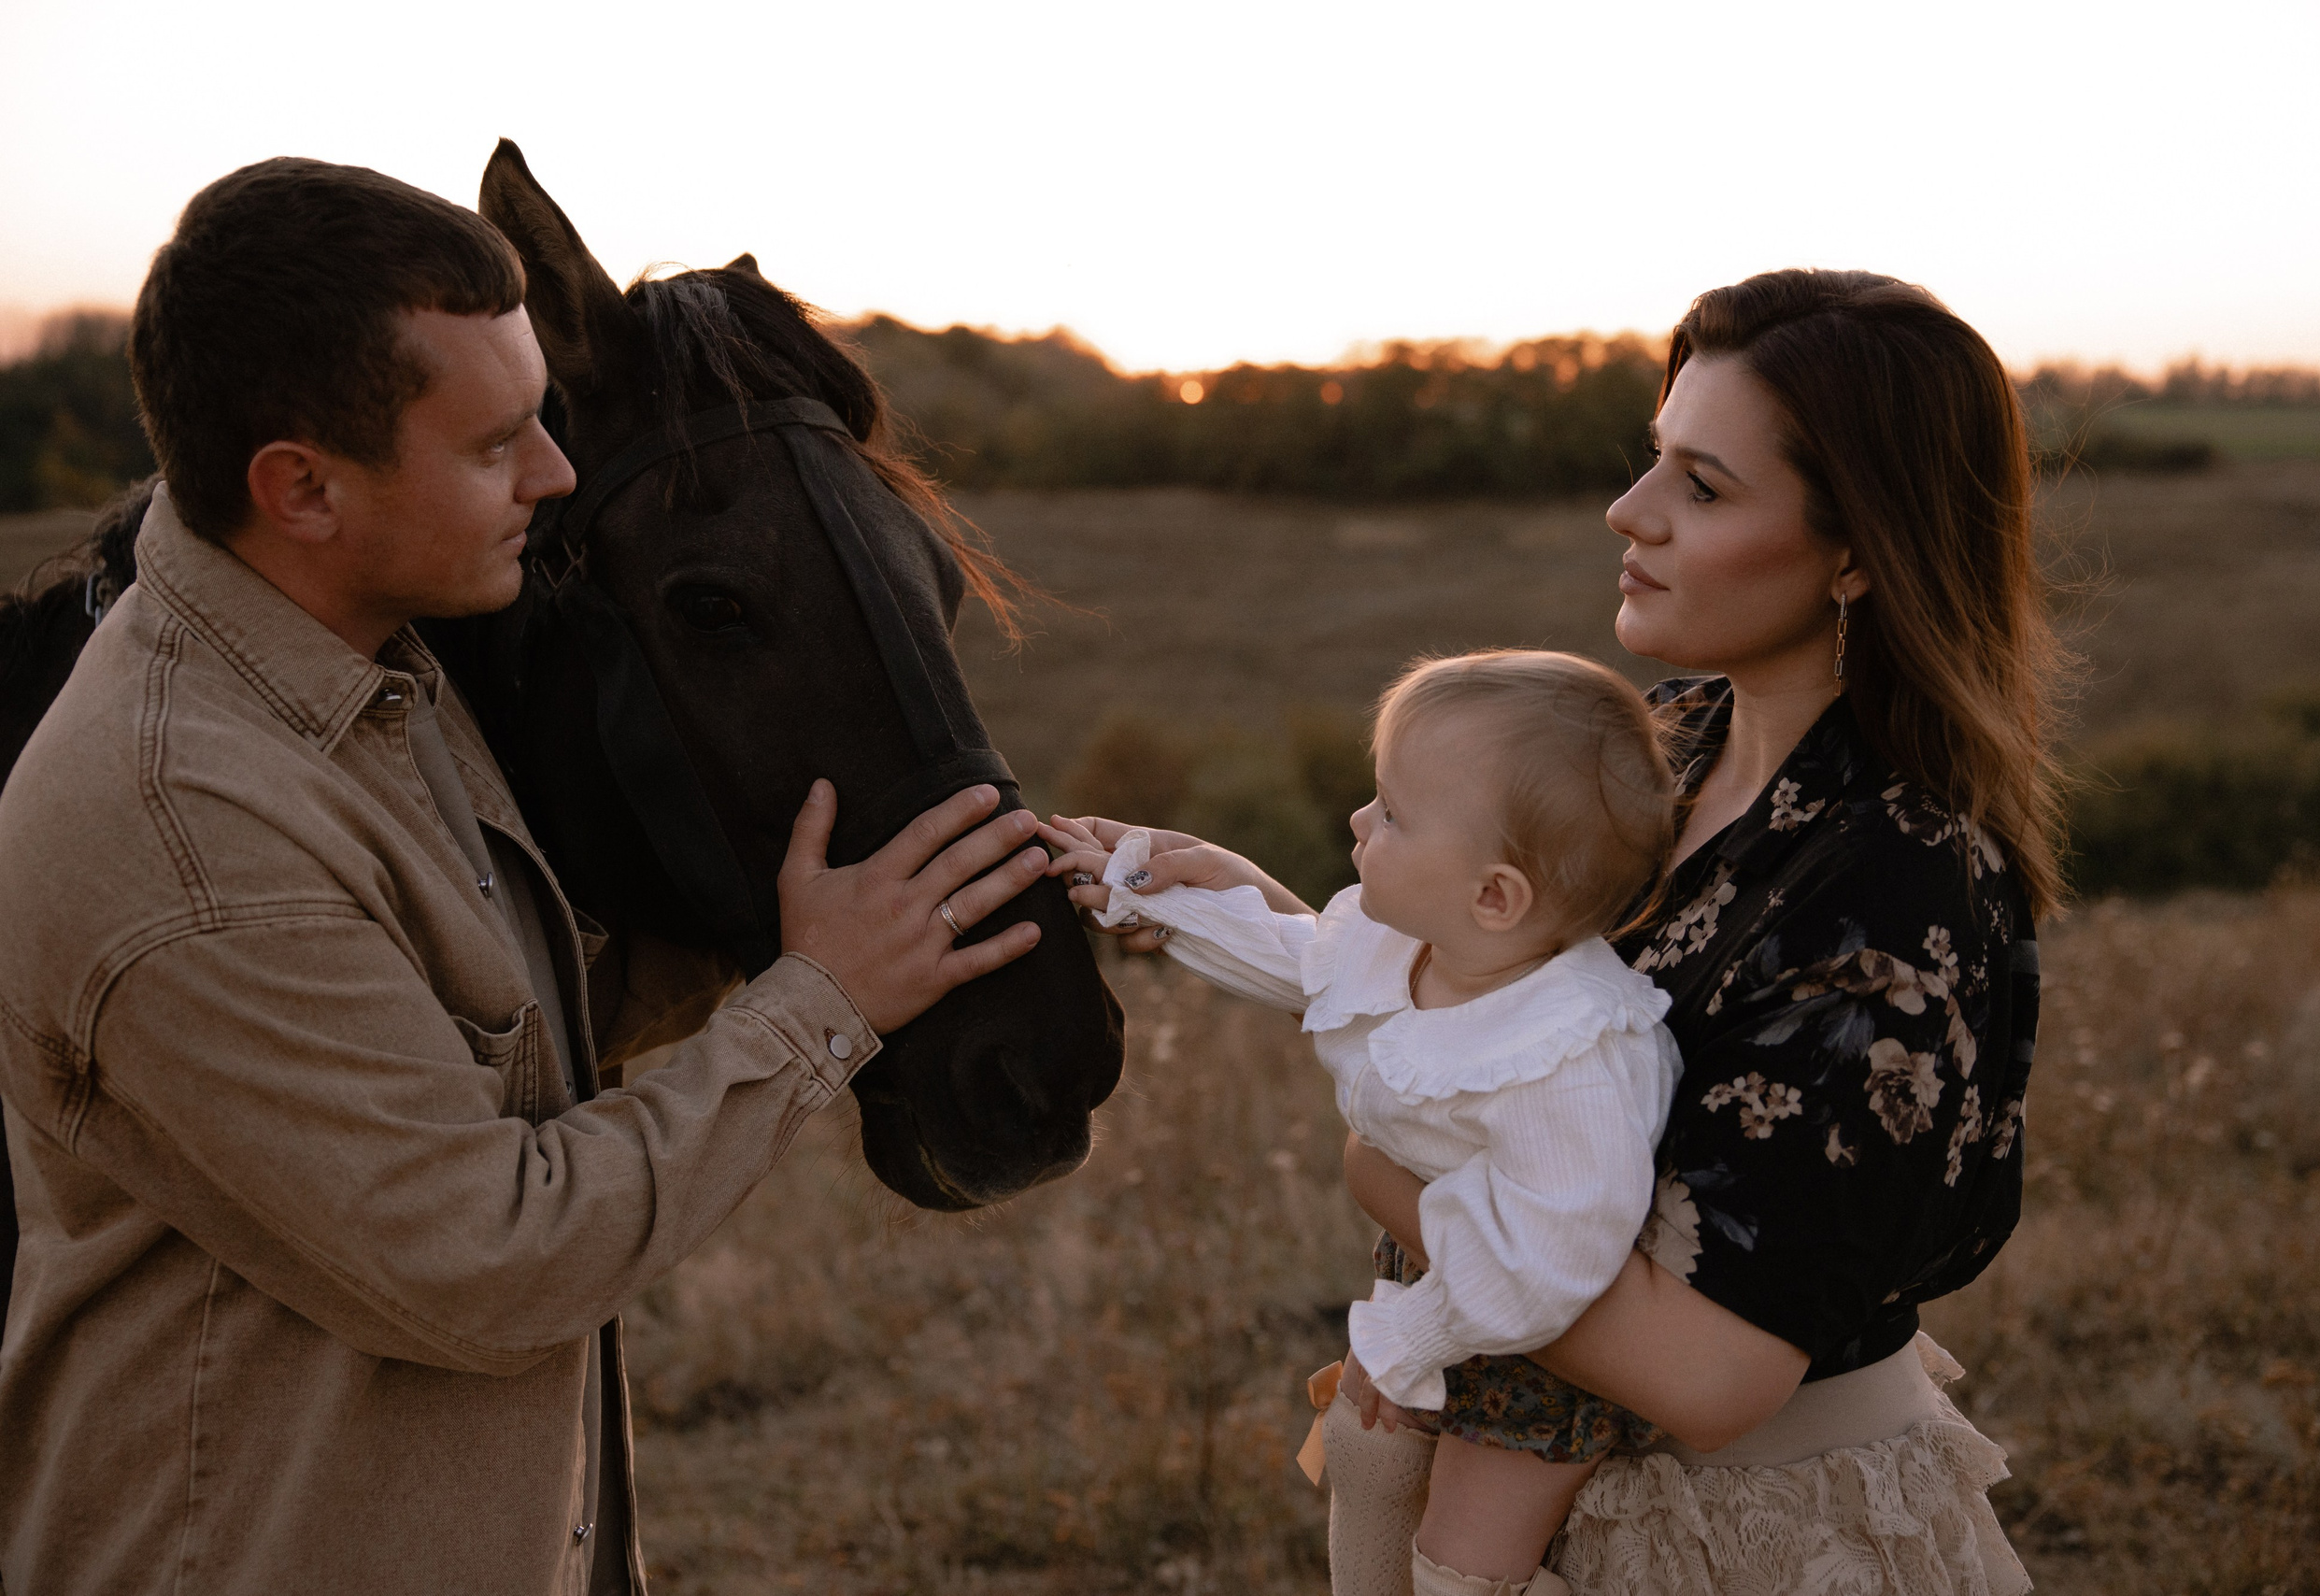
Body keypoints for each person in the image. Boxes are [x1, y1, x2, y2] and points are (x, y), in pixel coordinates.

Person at [0, 159, 1049, 1595]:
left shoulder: (372, 665)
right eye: (499, 444)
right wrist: (817, 1002)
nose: (556, 477)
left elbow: (480, 1021)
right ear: (301, 488)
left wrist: (881, 920)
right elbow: (490, 1264)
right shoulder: (189, 833)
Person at [1086, 269, 2053, 1594]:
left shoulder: (1891, 876)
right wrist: (1265, 916)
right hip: (1563, 1507)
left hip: (1756, 1536)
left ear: (1858, 552)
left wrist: (1388, 1169)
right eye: (1654, 459)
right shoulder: (1672, 742)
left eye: (1702, 487)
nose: (1629, 512)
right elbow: (1522, 1021)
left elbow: (1712, 1376)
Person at [1046, 649, 1683, 1596]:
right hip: (1437, 1270)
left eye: (1390, 814)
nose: (1356, 820)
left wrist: (1415, 1338)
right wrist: (1147, 895)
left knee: (1464, 1569)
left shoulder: (1571, 1056)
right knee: (1363, 1450)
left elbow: (1549, 1258)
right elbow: (1301, 957)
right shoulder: (1426, 944)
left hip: (1537, 1338)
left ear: (1494, 894)